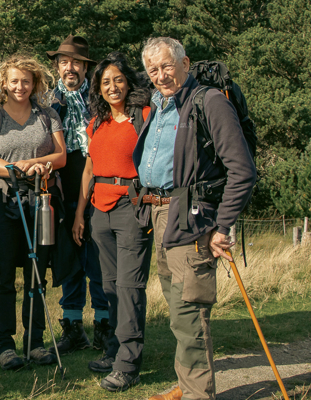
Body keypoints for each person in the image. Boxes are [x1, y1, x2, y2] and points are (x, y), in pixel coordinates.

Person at [134, 37, 256, 400]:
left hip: (192, 218)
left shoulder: (210, 102)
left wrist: (222, 225)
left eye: (167, 66)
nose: (160, 75)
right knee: (178, 313)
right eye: (152, 70)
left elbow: (242, 170)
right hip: (160, 215)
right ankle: (187, 387)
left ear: (185, 63)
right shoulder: (159, 104)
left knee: (189, 315)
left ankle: (199, 395)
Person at [0, 54, 67, 370]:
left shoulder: (48, 115)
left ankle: (36, 343)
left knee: (36, 275)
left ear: (35, 83)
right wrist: (20, 167)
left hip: (41, 200)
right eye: (14, 81)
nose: (20, 87)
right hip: (4, 203)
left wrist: (41, 164)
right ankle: (4, 346)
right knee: (4, 277)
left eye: (26, 81)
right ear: (4, 83)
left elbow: (61, 156)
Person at [72, 52, 153, 392]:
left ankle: (128, 363)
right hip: (98, 211)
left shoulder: (145, 116)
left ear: (129, 81)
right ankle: (114, 349)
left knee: (130, 285)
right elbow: (89, 169)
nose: (112, 86)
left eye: (118, 79)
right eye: (105, 82)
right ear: (98, 89)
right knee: (108, 284)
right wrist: (79, 214)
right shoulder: (96, 122)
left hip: (131, 206)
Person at [46, 34, 112, 354]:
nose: (69, 68)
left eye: (75, 62)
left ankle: (103, 326)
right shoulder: (46, 103)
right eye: (63, 62)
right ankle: (73, 328)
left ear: (86, 67)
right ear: (57, 66)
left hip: (98, 188)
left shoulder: (101, 99)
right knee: (69, 263)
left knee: (98, 262)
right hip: (62, 189)